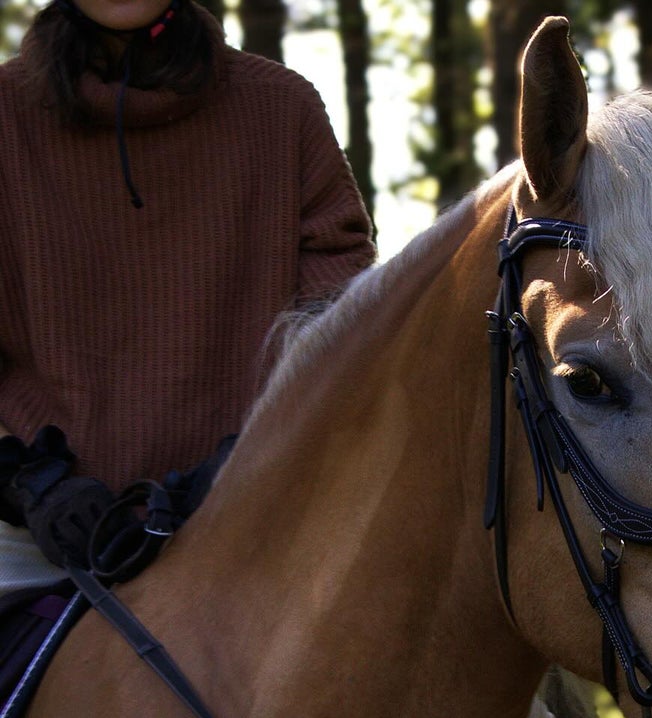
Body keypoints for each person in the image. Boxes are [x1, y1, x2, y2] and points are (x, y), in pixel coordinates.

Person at [0, 0, 374, 649]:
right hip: (35, 540)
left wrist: (262, 451)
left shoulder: (281, 110)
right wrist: (31, 482)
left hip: (262, 518)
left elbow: (342, 323)